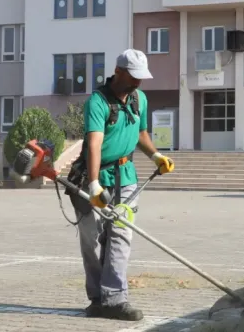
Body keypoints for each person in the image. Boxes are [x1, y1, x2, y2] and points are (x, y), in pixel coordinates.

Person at [67, 48, 174, 321]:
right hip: (94, 178)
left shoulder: (140, 99)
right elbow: (94, 143)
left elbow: (141, 133)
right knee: (91, 241)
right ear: (118, 71)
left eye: (141, 77)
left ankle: (114, 299)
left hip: (126, 178)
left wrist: (156, 155)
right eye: (133, 77)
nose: (138, 82)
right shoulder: (98, 102)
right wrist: (93, 184)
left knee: (121, 237)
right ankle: (97, 299)